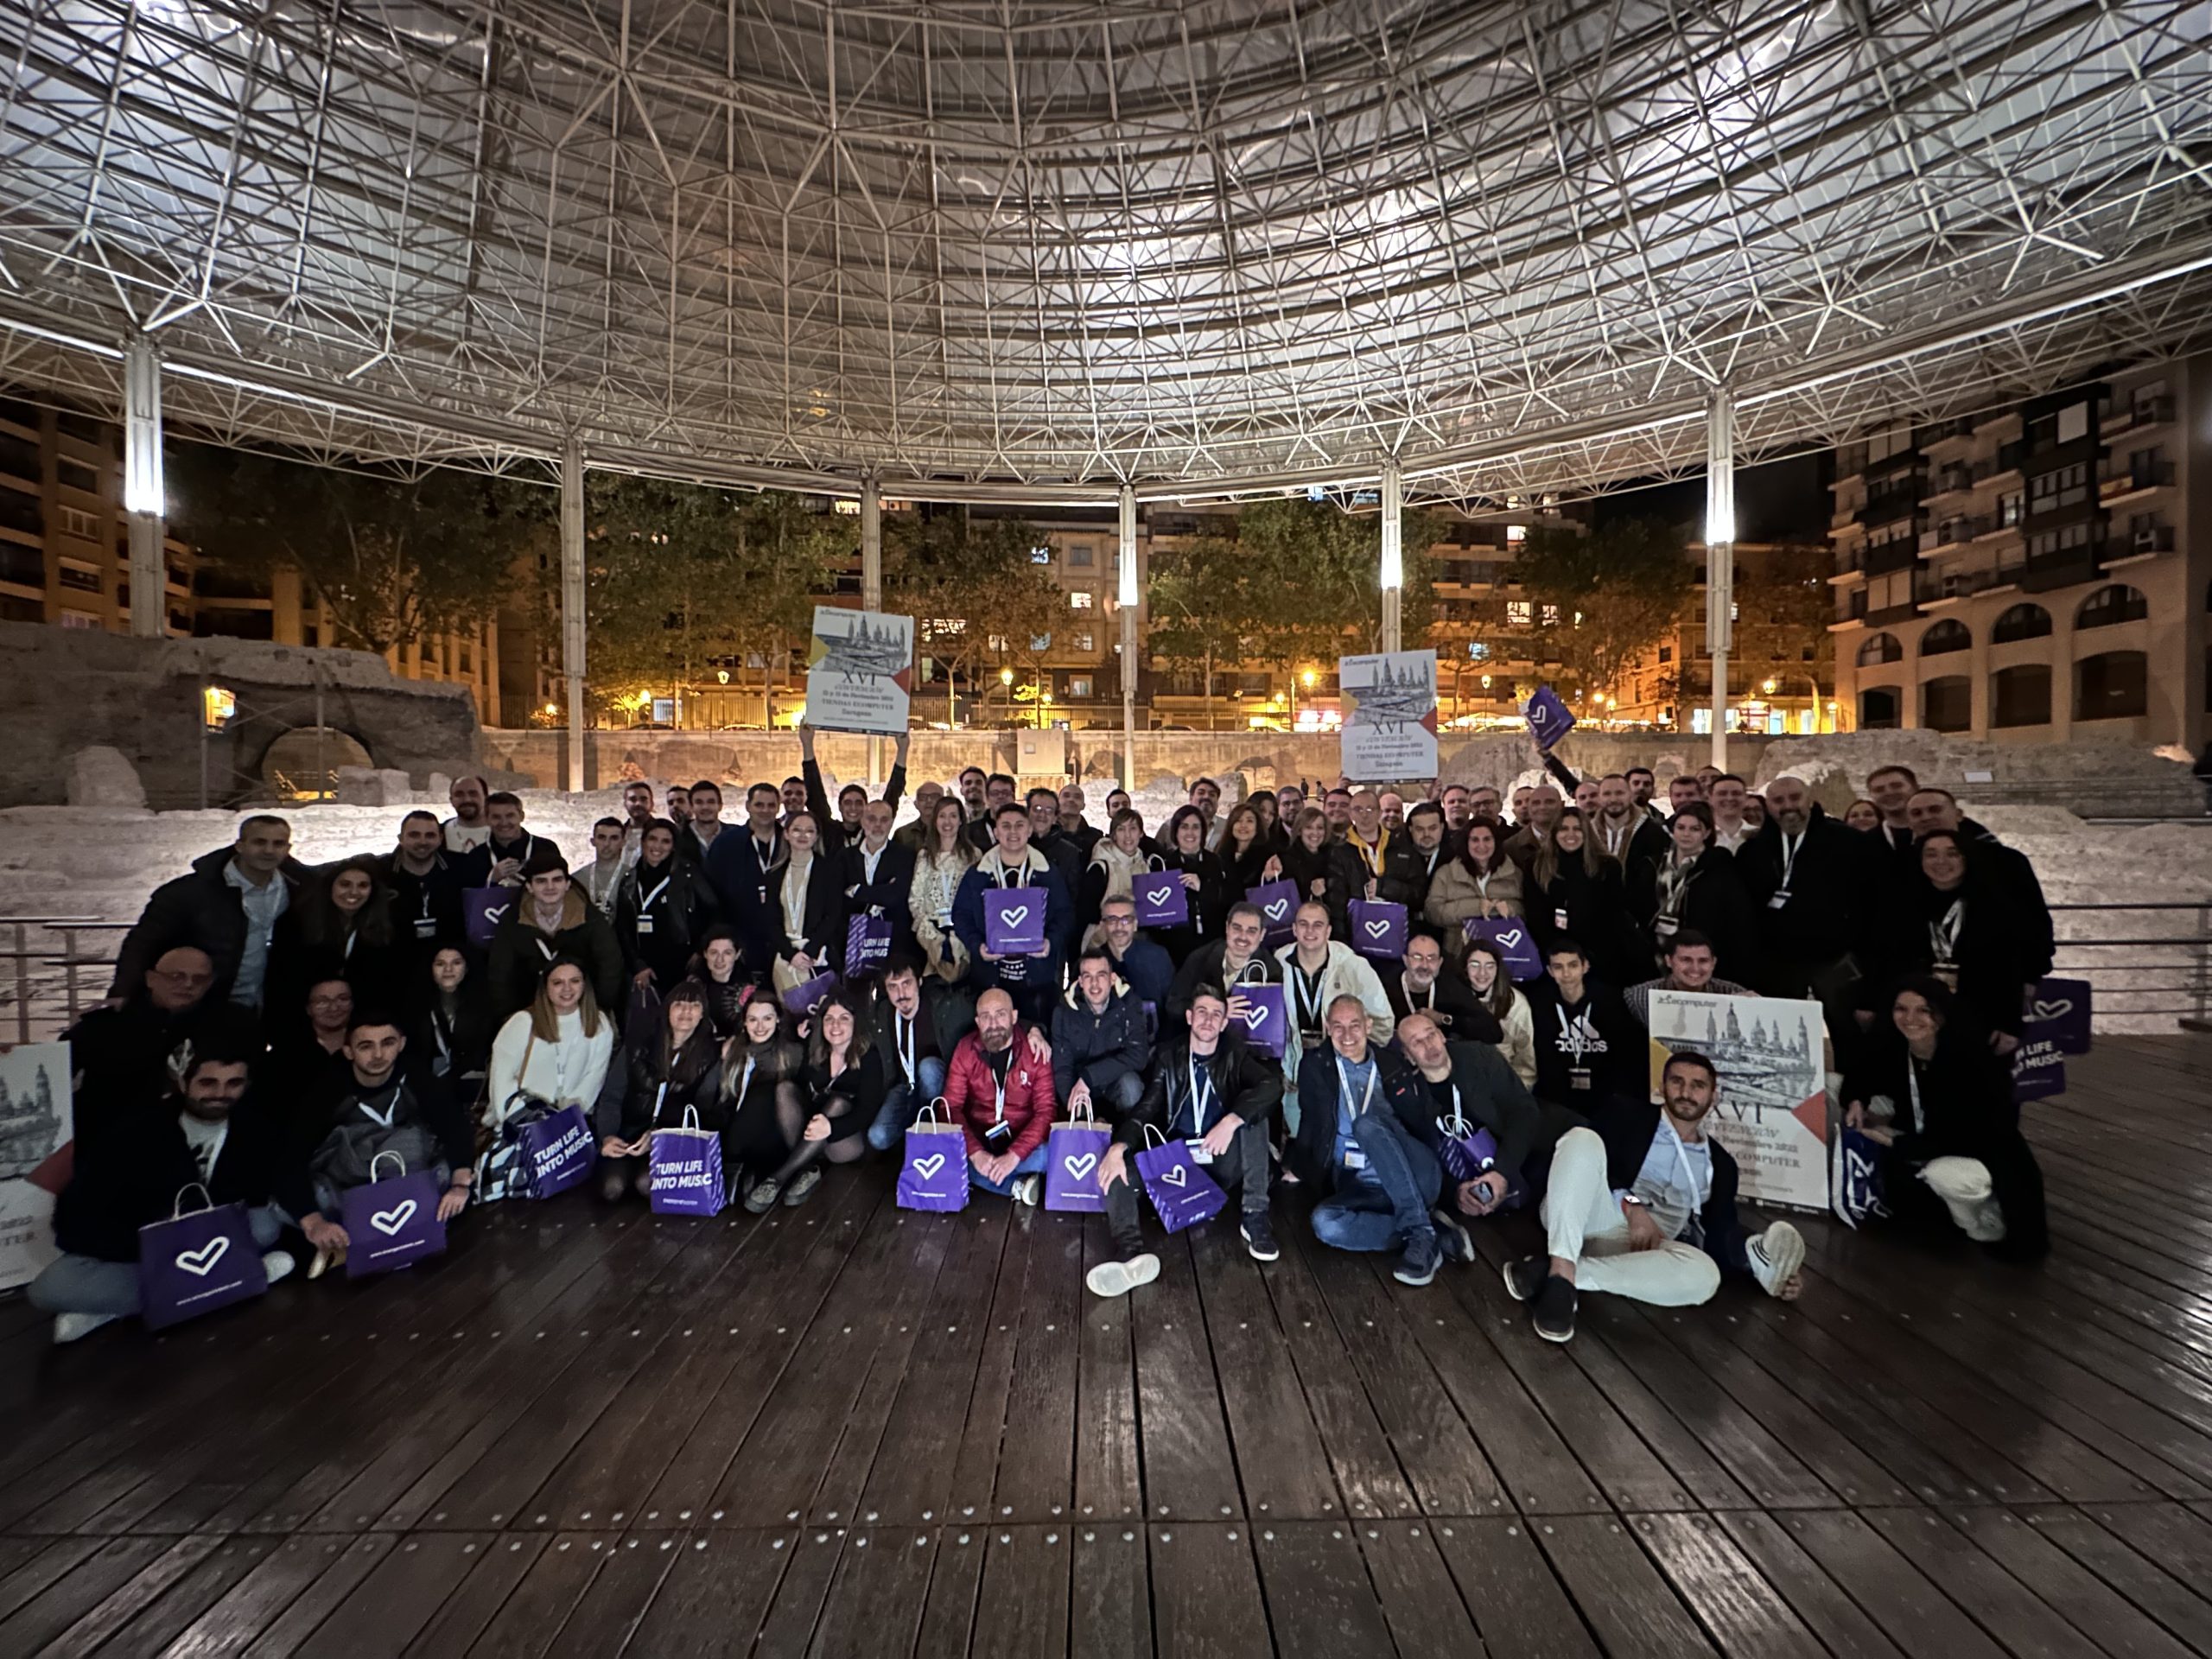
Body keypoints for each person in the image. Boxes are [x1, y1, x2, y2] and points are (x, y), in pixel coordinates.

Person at [1501, 1051, 1806, 1341]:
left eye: (1698, 1085)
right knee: (1582, 1139)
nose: (1686, 1092)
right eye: (1677, 1082)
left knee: (1706, 1276)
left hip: (1643, 1249)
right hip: (1590, 1212)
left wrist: (1764, 1268)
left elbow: (1720, 1230)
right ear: (1662, 1087)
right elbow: (1592, 1165)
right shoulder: (1627, 1113)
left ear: (1714, 1097)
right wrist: (1633, 1208)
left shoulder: (1722, 1164)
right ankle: (1564, 1268)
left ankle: (1559, 1274)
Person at [31, 1040, 318, 1342]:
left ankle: (123, 1307)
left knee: (265, 1226)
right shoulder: (137, 1129)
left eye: (233, 1083)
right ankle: (238, 1280)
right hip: (142, 1246)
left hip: (213, 1242)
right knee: (49, 1287)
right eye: (208, 1083)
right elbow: (75, 1212)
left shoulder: (255, 1128)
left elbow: (276, 1181)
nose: (220, 1094)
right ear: (182, 1081)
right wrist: (151, 1244)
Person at [1089, 983, 1283, 1297]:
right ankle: (1130, 1253)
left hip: (1219, 1158)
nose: (1208, 1020)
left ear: (1223, 1023)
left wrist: (1230, 1121)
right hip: (1178, 1160)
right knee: (1118, 1170)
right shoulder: (1168, 1055)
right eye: (1202, 1012)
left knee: (1253, 1117)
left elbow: (1271, 1085)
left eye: (1216, 1014)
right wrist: (1118, 1146)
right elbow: (1147, 1107)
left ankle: (1255, 1217)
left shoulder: (1235, 1052)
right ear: (1190, 1017)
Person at [1842, 977, 2048, 1259]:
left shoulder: (1969, 1060)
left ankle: (1984, 1222)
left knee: (1944, 1174)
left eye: (1923, 1010)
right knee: (1842, 1089)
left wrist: (1894, 1142)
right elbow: (1861, 1073)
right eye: (1901, 1009)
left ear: (1941, 1014)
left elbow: (1964, 1138)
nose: (1911, 1019)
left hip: (1980, 1155)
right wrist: (1856, 1099)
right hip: (1927, 1142)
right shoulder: (1898, 1048)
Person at [1290, 995, 1456, 1284]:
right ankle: (1429, 1234)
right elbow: (1310, 1120)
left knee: (1365, 1125)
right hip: (1361, 1183)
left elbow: (1422, 1123)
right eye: (1338, 1027)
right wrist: (1297, 1165)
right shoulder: (1315, 1066)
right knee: (1324, 1223)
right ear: (1328, 1028)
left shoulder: (1393, 1064)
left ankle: (1419, 1230)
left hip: (1411, 1172)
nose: (1347, 1035)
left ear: (1368, 1025)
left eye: (1354, 1025)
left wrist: (1448, 1185)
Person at [302, 1008, 470, 1276]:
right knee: (310, 1197)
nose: (378, 1055)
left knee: (444, 1166)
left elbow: (453, 1126)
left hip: (409, 1171)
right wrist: (314, 1223)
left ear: (401, 1044)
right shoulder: (328, 1088)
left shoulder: (415, 1075)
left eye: (388, 1043)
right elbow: (292, 1155)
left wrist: (461, 1183)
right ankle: (347, 1241)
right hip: (351, 1179)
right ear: (348, 1051)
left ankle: (358, 1245)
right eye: (366, 1046)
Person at [109, 815, 307, 1013]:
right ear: (239, 845)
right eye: (259, 842)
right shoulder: (187, 892)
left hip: (268, 1006)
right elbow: (144, 942)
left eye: (278, 844)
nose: (269, 850)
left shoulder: (299, 889)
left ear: (288, 849)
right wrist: (123, 991)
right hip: (203, 1006)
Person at [1737, 776, 1880, 1039]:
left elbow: (1871, 908)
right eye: (1778, 800)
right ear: (1767, 806)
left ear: (1810, 800)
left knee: (1845, 1040)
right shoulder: (1753, 850)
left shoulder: (1849, 843)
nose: (1788, 806)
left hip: (1835, 966)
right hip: (1777, 969)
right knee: (1782, 1039)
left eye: (1795, 798)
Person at [1878, 830, 2050, 1049]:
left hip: (1980, 1014)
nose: (1941, 861)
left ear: (1966, 858)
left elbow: (2009, 968)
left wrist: (2009, 1024)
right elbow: (1888, 961)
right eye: (1931, 854)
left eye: (1952, 853)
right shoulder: (1903, 906)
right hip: (1916, 1015)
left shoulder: (1995, 905)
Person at [1398, 1011, 1580, 1211]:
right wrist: (1456, 1193)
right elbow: (1424, 1159)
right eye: (1417, 1042)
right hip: (1476, 1184)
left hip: (1532, 1155)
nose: (1429, 1045)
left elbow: (1523, 1112)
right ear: (1408, 1055)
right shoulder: (1411, 1097)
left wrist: (1501, 1171)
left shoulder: (1479, 1057)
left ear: (1442, 1036)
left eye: (1431, 1034)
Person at [66, 945, 240, 1139]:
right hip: (112, 1139)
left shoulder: (228, 1027)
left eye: (199, 979)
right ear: (151, 979)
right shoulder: (104, 1026)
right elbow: (57, 1072)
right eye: (176, 976)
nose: (188, 984)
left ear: (210, 983)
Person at [481, 960, 615, 1181]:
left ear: (584, 985)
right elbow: (501, 1081)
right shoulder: (522, 1022)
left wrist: (565, 1122)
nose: (567, 989)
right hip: (521, 1124)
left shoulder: (599, 1023)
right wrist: (526, 1122)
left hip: (569, 1128)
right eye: (557, 983)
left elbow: (594, 1078)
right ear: (546, 987)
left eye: (574, 981)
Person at [595, 978, 724, 1201]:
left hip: (670, 1137)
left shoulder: (710, 1054)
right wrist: (607, 1137)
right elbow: (611, 1097)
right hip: (627, 1133)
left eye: (694, 1005)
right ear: (667, 1010)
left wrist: (660, 1134)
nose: (686, 1011)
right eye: (679, 1005)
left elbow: (702, 1109)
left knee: (648, 1184)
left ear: (703, 1014)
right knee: (612, 1189)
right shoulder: (638, 1044)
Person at [952, 803, 1073, 1023]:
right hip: (990, 976)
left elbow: (1065, 914)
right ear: (996, 832)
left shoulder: (1047, 872)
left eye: (1019, 826)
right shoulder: (978, 874)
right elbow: (960, 915)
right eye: (1005, 826)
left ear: (1029, 830)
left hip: (1036, 978)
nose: (1013, 832)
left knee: (1037, 1040)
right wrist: (976, 946)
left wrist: (1050, 942)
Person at [943, 988, 1059, 1202]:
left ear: (1014, 1017)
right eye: (986, 1017)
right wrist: (975, 1152)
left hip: (1026, 1144)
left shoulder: (1035, 1050)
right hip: (982, 1144)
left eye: (1000, 1014)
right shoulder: (965, 1049)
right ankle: (1018, 1186)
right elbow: (951, 1107)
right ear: (977, 1022)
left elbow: (1046, 1111)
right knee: (954, 1157)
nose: (993, 1024)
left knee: (1051, 1154)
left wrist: (1014, 1156)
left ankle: (1007, 1179)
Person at [1625, 802, 1757, 984]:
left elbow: (1735, 916)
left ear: (1707, 833)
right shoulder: (1652, 864)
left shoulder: (1719, 867)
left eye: (1694, 829)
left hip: (1698, 957)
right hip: (1656, 953)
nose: (1686, 834)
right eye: (1681, 827)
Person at [486, 846, 624, 1021]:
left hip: (582, 1008)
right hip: (528, 1010)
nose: (550, 887)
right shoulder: (512, 921)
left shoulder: (590, 918)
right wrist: (509, 1016)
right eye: (541, 881)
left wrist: (599, 1009)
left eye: (557, 880)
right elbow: (500, 973)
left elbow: (610, 965)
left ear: (567, 884)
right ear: (529, 886)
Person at [1276, 899, 1396, 1090]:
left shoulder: (1355, 967)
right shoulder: (1276, 966)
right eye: (1303, 924)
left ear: (1328, 931)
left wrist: (1354, 1057)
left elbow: (1383, 1023)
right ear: (1294, 929)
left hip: (1346, 1074)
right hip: (1293, 1073)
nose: (1310, 931)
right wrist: (1283, 1068)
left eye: (1318, 925)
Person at [270, 856, 405, 1016]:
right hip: (305, 1017)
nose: (354, 892)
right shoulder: (296, 923)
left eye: (363, 885)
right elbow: (282, 981)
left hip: (364, 1019)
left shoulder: (387, 926)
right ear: (330, 886)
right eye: (345, 884)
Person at [715, 997, 815, 1211]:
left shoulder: (792, 1051)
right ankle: (751, 1171)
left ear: (778, 1020)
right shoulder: (733, 1050)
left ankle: (793, 1168)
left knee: (770, 1091)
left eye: (767, 1019)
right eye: (753, 1020)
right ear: (744, 1023)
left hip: (780, 1133)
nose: (760, 1027)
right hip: (740, 1136)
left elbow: (804, 1096)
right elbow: (717, 1097)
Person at [1525, 808, 1636, 986]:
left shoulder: (1608, 866)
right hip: (1554, 957)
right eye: (1563, 829)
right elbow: (1535, 916)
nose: (1571, 834)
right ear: (1554, 833)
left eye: (1577, 829)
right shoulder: (1536, 865)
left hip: (1600, 957)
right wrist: (1560, 953)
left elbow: (1613, 917)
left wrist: (1587, 956)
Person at [1524, 939, 1641, 1107]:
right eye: (1558, 967)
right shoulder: (1539, 1003)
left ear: (1585, 966)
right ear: (1550, 971)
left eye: (1573, 965)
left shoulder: (1609, 1000)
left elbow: (1624, 1052)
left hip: (1605, 1095)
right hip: (1557, 1098)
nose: (1566, 974)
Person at [618, 819, 721, 996]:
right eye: (652, 839)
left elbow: (714, 912)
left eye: (665, 841)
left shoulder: (688, 874)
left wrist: (699, 952)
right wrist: (638, 966)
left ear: (673, 846)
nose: (657, 846)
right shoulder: (629, 880)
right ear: (643, 842)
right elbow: (623, 929)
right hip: (645, 970)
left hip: (683, 966)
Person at [1051, 948, 1153, 1117]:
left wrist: (1089, 1077)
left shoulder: (1129, 1004)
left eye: (1101, 975)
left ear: (1112, 979)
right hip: (1080, 1086)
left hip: (1114, 1079)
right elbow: (1063, 1067)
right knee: (1071, 1100)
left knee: (1131, 1086)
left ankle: (1127, 1140)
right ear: (1081, 982)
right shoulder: (1064, 1012)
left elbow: (1138, 1055)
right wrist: (1074, 1107)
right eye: (1088, 977)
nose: (1095, 984)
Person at [791, 992, 882, 1182]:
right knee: (785, 1090)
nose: (835, 1026)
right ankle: (807, 1166)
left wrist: (830, 1127)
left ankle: (780, 1177)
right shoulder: (814, 1051)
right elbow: (800, 1093)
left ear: (855, 1023)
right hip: (813, 1135)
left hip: (845, 1140)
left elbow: (868, 1111)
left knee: (838, 1104)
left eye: (844, 1018)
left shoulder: (869, 1057)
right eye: (829, 1019)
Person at [702, 781, 788, 976]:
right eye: (759, 805)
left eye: (771, 805)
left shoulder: (790, 841)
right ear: (748, 806)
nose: (765, 810)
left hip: (783, 939)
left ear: (778, 808)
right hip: (738, 937)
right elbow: (711, 893)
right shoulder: (726, 844)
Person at [406, 944, 495, 1126]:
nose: (448, 970)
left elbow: (481, 1052)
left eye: (456, 963)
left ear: (467, 967)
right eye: (440, 963)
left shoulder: (484, 1005)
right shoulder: (415, 1007)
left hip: (471, 1086)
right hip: (428, 1088)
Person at [865, 957, 948, 1151]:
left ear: (919, 982)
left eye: (906, 983)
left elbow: (986, 1013)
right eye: (893, 987)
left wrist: (1034, 1030)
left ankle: (929, 1128)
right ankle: (914, 1134)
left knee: (928, 1068)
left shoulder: (941, 1006)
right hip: (904, 1085)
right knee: (877, 1137)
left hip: (938, 1089)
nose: (901, 993)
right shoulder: (882, 1013)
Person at [798, 722, 908, 855]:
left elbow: (893, 793)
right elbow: (815, 793)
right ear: (839, 807)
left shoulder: (873, 832)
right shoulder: (830, 831)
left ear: (866, 807)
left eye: (858, 803)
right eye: (848, 803)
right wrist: (807, 744)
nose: (853, 808)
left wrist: (902, 750)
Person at [1166, 901, 1280, 1030]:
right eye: (1237, 928)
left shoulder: (1271, 970)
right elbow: (1173, 1006)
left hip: (1247, 1044)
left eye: (1251, 931)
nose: (1243, 936)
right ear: (1227, 928)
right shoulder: (1199, 958)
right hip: (1203, 1039)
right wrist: (1218, 1009)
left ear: (1262, 935)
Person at [766, 810, 844, 995]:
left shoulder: (830, 870)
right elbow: (770, 919)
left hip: (817, 957)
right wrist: (791, 954)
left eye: (809, 831)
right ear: (786, 834)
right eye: (797, 830)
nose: (803, 835)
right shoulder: (774, 874)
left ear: (817, 836)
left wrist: (809, 951)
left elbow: (832, 915)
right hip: (784, 956)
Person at [380, 810, 467, 970]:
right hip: (395, 966)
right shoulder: (381, 872)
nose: (422, 841)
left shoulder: (460, 868)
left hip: (447, 969)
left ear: (440, 839)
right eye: (414, 835)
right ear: (401, 839)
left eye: (430, 835)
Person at [841, 794, 918, 971]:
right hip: (854, 941)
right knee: (856, 997)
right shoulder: (845, 857)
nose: (877, 825)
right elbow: (839, 900)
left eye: (884, 820)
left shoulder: (905, 856)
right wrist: (883, 892)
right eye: (871, 819)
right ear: (862, 821)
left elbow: (897, 895)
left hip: (895, 942)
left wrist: (857, 891)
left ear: (891, 823)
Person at [1383, 926, 1500, 1043]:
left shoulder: (1451, 987)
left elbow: (1493, 1032)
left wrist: (1444, 1019)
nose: (1425, 965)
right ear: (1405, 960)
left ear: (1440, 963)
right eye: (1417, 957)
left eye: (1432, 958)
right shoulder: (1384, 985)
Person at [909, 794, 978, 988]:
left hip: (964, 932)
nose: (947, 822)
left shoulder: (973, 856)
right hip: (932, 934)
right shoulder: (925, 856)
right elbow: (916, 900)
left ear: (961, 820)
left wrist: (963, 935)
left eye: (953, 816)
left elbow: (979, 898)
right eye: (942, 816)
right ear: (935, 821)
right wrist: (932, 937)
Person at [1423, 817, 1523, 950]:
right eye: (1475, 840)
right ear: (1466, 842)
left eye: (1487, 839)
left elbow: (1527, 910)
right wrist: (1476, 907)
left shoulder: (1514, 873)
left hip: (1505, 950)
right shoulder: (1446, 873)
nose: (1481, 846)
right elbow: (1433, 912)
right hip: (1459, 950)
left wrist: (1510, 909)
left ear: (1496, 841)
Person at [1150, 804, 1230, 966]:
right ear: (1175, 832)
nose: (1190, 833)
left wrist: (1203, 888)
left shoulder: (1217, 862)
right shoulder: (1164, 865)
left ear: (1203, 831)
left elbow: (1228, 900)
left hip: (1212, 944)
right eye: (1184, 827)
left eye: (1195, 827)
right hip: (1176, 948)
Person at [1624, 931, 1752, 1026]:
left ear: (1714, 963)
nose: (1695, 968)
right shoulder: (1638, 998)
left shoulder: (1734, 994)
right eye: (1686, 960)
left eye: (1703, 961)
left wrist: (1757, 1008)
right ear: (1669, 961)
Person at [1330, 790, 1422, 912]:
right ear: (1351, 814)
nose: (1364, 815)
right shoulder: (1339, 852)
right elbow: (1336, 902)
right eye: (1358, 809)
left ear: (1379, 813)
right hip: (1356, 926)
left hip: (1397, 925)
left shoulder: (1403, 847)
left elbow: (1419, 895)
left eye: (1370, 809)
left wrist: (1385, 888)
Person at [1465, 939, 1538, 1089]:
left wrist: (1517, 1094)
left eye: (1490, 966)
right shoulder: (1452, 994)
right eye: (1474, 965)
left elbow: (1526, 1060)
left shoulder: (1516, 1004)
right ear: (1464, 967)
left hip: (1502, 1082)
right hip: (1465, 1080)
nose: (1482, 973)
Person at [1270, 806, 1350, 937]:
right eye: (1309, 827)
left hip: (1329, 929)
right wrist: (1310, 890)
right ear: (1300, 830)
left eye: (1320, 828)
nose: (1315, 832)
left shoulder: (1334, 856)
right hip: (1295, 930)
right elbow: (1283, 898)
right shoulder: (1285, 859)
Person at [1095, 893, 1175, 1012]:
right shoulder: (1091, 962)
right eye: (1112, 920)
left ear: (1135, 925)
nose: (1119, 927)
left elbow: (1171, 1007)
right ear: (1102, 926)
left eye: (1126, 920)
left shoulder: (1158, 957)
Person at [1081, 807, 1150, 934]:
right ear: (1114, 835)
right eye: (1121, 829)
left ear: (1141, 833)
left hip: (1139, 936)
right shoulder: (1100, 868)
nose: (1127, 835)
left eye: (1133, 828)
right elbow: (1087, 913)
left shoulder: (1147, 866)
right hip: (1104, 938)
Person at [457, 792, 544, 890]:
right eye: (496, 817)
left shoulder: (545, 848)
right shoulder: (476, 857)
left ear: (521, 816)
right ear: (487, 819)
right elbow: (470, 900)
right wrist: (492, 879)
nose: (504, 823)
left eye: (510, 816)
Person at [1592, 774, 1669, 869]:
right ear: (1599, 797)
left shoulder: (1653, 832)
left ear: (1630, 795)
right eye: (1607, 794)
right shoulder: (1587, 832)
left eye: (1619, 793)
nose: (1613, 799)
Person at [692, 929, 754, 1041]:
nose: (719, 959)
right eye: (713, 953)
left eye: (727, 953)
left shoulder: (751, 988)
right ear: (705, 954)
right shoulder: (694, 985)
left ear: (737, 954)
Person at [1216, 802, 1274, 895]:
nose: (1243, 825)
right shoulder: (1220, 852)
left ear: (1257, 827)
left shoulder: (1267, 857)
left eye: (1249, 821)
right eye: (1238, 820)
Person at [1503, 784, 1562, 867]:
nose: (1542, 807)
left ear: (1562, 805)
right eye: (1536, 803)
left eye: (1549, 802)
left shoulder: (1579, 836)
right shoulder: (1511, 847)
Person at [579, 818, 628, 917]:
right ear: (593, 841)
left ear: (623, 842)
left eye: (614, 838)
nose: (607, 844)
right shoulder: (578, 878)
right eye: (602, 837)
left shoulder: (632, 876)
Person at [678, 781, 730, 865]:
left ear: (720, 806)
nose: (705, 807)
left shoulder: (735, 835)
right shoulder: (677, 836)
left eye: (711, 802)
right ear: (691, 807)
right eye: (699, 802)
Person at [963, 773, 1019, 850]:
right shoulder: (969, 832)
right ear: (987, 798)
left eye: (1005, 793)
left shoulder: (1024, 828)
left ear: (1014, 797)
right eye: (995, 793)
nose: (1000, 797)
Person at [444, 775, 493, 855]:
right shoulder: (439, 834)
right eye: (459, 795)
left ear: (486, 798)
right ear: (451, 800)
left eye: (473, 794)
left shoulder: (505, 832)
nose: (467, 799)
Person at [1707, 773, 1756, 853]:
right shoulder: (1700, 835)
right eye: (1722, 793)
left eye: (1736, 793)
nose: (1729, 798)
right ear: (1710, 798)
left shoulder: (1759, 834)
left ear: (1746, 798)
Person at [894, 779, 946, 853]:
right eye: (923, 797)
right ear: (916, 804)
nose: (929, 801)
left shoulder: (953, 830)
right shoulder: (903, 834)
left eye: (934, 796)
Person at [1058, 785, 1101, 857]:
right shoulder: (1046, 835)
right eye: (1066, 795)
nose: (1071, 800)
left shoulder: (1096, 839)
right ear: (1057, 803)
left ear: (1083, 805)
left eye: (1077, 797)